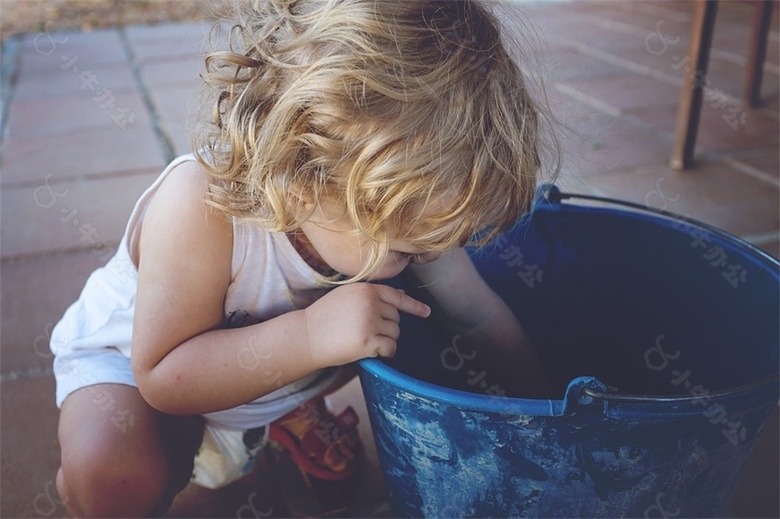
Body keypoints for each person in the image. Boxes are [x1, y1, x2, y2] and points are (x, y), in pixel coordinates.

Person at [50, 0, 554, 516]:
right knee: (118, 479)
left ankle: (289, 411)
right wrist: (311, 337)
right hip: (143, 376)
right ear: (301, 180)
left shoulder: (401, 211)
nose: (431, 253)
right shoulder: (199, 207)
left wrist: (545, 416)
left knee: (413, 327)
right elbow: (163, 375)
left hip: (272, 378)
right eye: (409, 245)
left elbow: (477, 315)